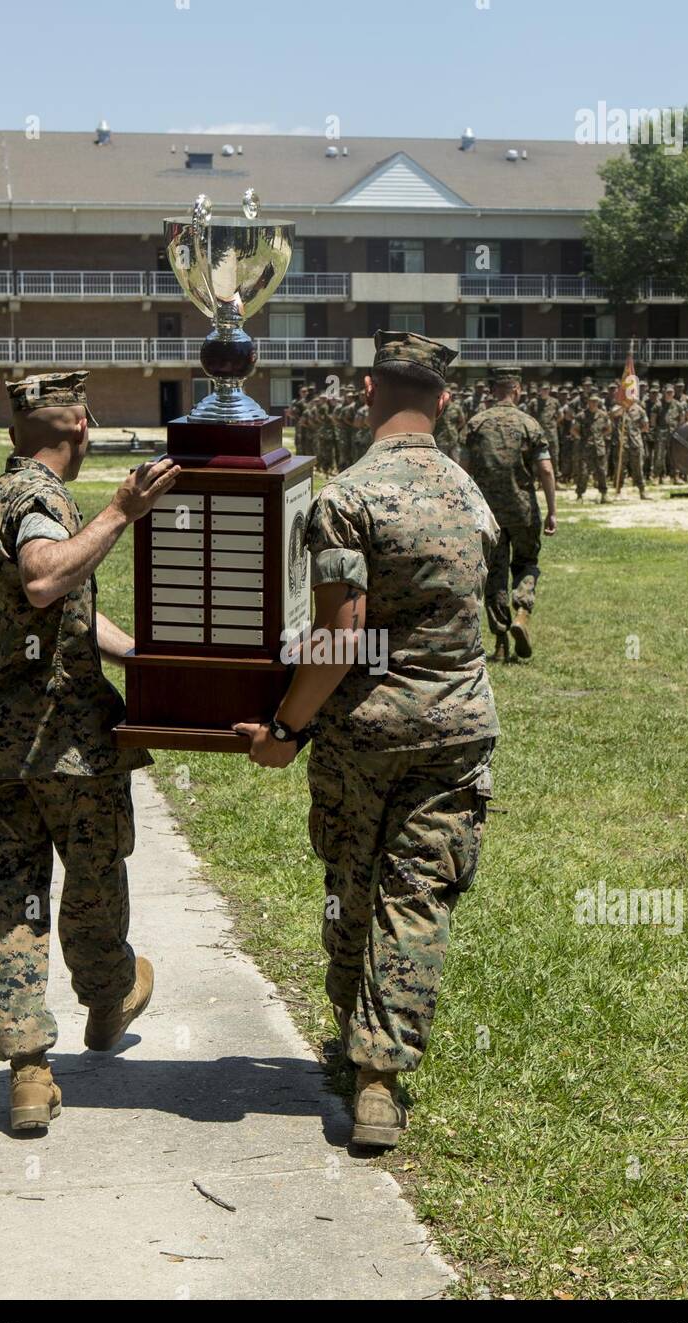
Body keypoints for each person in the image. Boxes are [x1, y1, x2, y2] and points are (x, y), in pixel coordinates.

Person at [233, 331, 499, 1150]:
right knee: (416, 893)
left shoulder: (347, 496)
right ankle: (379, 1077)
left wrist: (286, 725)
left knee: (352, 882)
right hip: (458, 730)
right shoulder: (469, 492)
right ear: (445, 401)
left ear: (367, 390)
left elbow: (343, 637)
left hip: (365, 736)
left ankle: (357, 1036)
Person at [0, 371, 180, 1131]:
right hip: (61, 748)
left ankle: (28, 1071)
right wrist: (122, 511)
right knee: (91, 880)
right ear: (82, 427)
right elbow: (47, 579)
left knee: (7, 900)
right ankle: (108, 999)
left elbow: (61, 611)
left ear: (15, 431)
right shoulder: (43, 502)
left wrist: (136, 653)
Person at [461, 370, 557, 662]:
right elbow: (546, 470)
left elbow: (463, 470)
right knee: (527, 563)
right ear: (517, 390)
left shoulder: (476, 424)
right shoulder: (529, 424)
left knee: (495, 574)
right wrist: (552, 511)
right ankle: (522, 614)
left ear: (493, 391)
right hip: (523, 510)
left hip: (488, 514)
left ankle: (501, 641)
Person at [573, 392, 612, 502]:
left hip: (599, 448)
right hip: (585, 448)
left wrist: (600, 437)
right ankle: (580, 495)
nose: (594, 403)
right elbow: (574, 430)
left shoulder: (603, 415)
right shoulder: (581, 415)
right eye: (592, 401)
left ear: (598, 402)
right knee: (584, 472)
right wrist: (581, 438)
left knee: (601, 472)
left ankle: (604, 494)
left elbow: (608, 429)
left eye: (596, 401)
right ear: (588, 402)